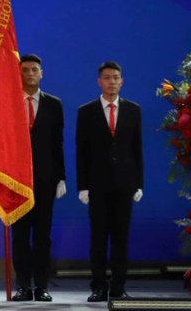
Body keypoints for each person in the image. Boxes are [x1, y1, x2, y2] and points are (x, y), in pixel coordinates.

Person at [76, 61, 143, 302]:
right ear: (99, 81)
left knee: (120, 239)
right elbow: (82, 151)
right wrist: (83, 186)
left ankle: (118, 287)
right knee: (98, 239)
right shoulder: (87, 111)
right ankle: (98, 287)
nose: (111, 81)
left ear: (121, 82)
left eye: (115, 77)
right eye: (107, 77)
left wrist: (139, 184)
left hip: (125, 185)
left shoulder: (133, 110)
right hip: (97, 185)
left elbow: (137, 149)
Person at [11, 54, 66, 302]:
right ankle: (23, 286)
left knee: (43, 235)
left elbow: (58, 144)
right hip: (16, 180)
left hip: (45, 179)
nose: (30, 74)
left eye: (34, 70)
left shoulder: (54, 104)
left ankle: (42, 286)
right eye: (25, 70)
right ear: (19, 73)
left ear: (41, 73)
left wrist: (61, 177)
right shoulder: (9, 103)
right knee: (21, 236)